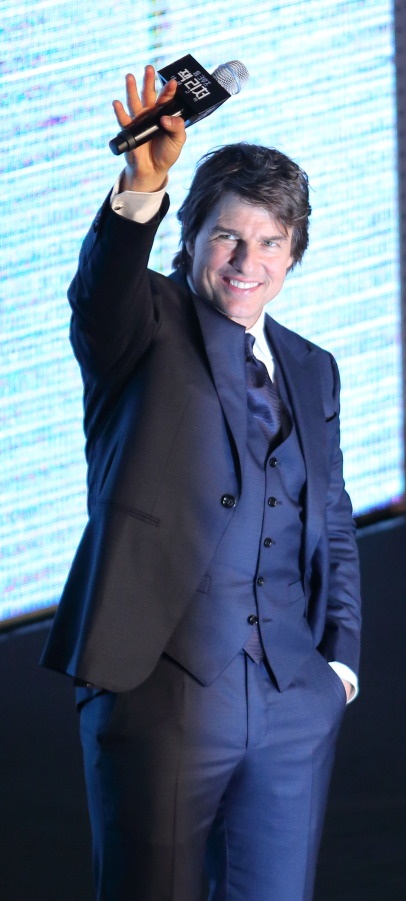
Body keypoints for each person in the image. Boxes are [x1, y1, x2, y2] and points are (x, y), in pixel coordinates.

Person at [41, 64, 361, 901]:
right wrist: (139, 187)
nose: (246, 261)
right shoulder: (141, 326)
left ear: (294, 253)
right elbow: (102, 288)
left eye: (270, 242)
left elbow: (330, 518)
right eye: (227, 236)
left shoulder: (313, 368)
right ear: (190, 238)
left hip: (293, 699)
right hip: (160, 695)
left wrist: (339, 666)